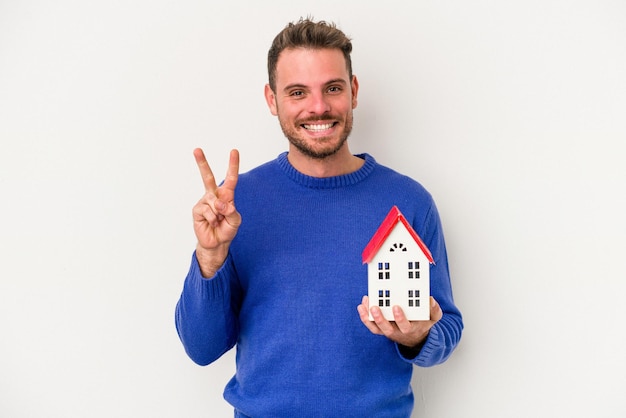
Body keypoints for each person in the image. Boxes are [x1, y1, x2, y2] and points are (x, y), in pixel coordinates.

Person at [175, 18, 463, 417]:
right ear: (272, 99)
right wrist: (210, 258)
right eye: (297, 92)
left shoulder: (408, 202)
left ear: (354, 91)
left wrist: (418, 337)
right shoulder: (234, 207)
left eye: (332, 88)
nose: (319, 107)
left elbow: (446, 327)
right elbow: (202, 349)